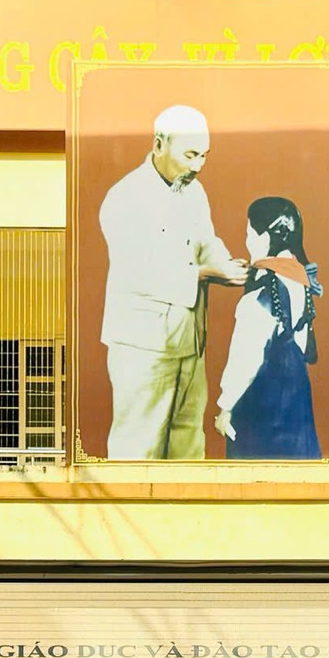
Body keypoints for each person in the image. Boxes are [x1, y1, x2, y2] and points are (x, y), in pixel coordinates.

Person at [99, 102, 249, 460]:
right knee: (139, 446)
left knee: (188, 443)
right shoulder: (125, 197)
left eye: (204, 156)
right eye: (190, 155)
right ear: (159, 145)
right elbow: (139, 271)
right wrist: (208, 273)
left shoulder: (193, 192)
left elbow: (206, 241)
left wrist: (225, 263)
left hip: (189, 341)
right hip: (142, 346)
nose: (198, 166)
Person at [213, 195, 323, 459]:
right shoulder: (301, 281)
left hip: (261, 408)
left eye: (249, 234)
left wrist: (225, 408)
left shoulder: (260, 295)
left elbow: (245, 360)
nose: (247, 241)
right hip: (296, 404)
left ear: (265, 237)